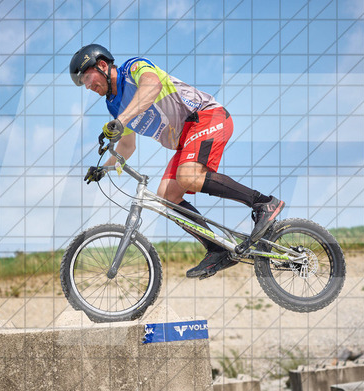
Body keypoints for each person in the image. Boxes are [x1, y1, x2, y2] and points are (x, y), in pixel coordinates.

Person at [69, 44, 284, 279]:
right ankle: (217, 249)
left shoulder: (133, 68)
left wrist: (121, 120)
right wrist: (103, 169)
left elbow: (152, 85)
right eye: (83, 83)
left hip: (206, 116)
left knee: (188, 176)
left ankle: (263, 203)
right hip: (186, 140)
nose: (87, 86)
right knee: (166, 195)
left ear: (102, 65)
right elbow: (127, 146)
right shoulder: (113, 105)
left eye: (87, 78)